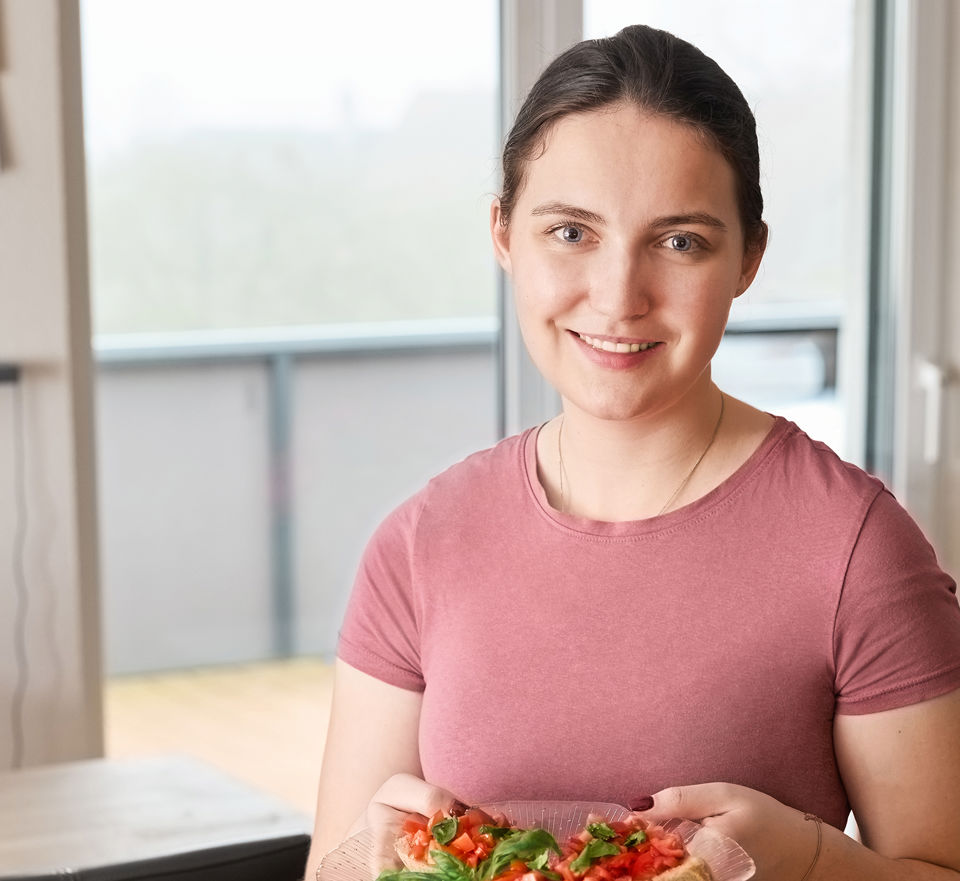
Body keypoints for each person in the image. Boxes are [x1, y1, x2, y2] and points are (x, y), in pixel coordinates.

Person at [304, 24, 960, 881]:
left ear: (749, 257)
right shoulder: (420, 545)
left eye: (679, 240)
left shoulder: (856, 547)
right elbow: (330, 870)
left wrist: (800, 859)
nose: (618, 297)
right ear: (504, 235)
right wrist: (375, 857)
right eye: (570, 233)